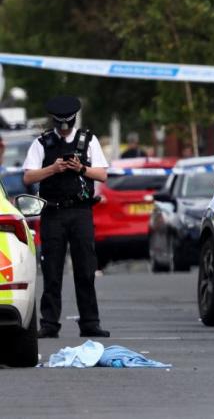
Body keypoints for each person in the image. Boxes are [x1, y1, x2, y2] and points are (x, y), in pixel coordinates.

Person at [22, 95, 110, 338]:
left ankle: (90, 322)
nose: (63, 130)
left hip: (81, 211)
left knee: (85, 269)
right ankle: (49, 324)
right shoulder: (42, 143)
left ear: (72, 121)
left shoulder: (88, 141)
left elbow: (102, 175)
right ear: (54, 122)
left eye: (67, 125)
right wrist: (53, 168)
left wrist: (80, 168)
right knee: (51, 270)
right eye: (60, 125)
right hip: (53, 212)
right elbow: (28, 177)